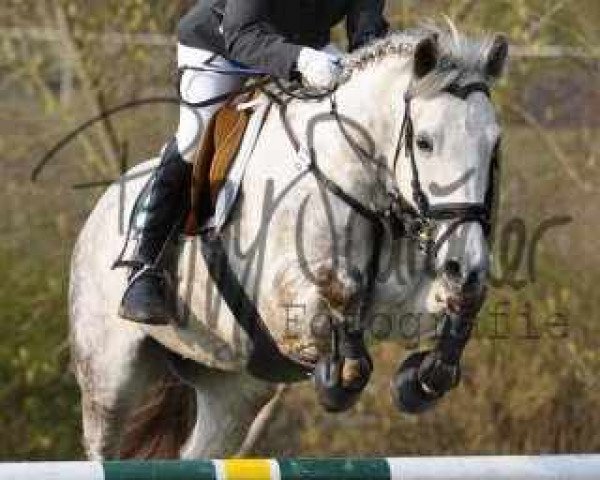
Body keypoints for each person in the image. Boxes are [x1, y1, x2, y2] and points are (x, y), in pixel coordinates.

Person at [119, 0, 389, 325]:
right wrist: (299, 59)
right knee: (193, 139)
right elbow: (241, 34)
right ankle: (143, 265)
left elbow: (367, 33)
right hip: (221, 49)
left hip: (306, 46)